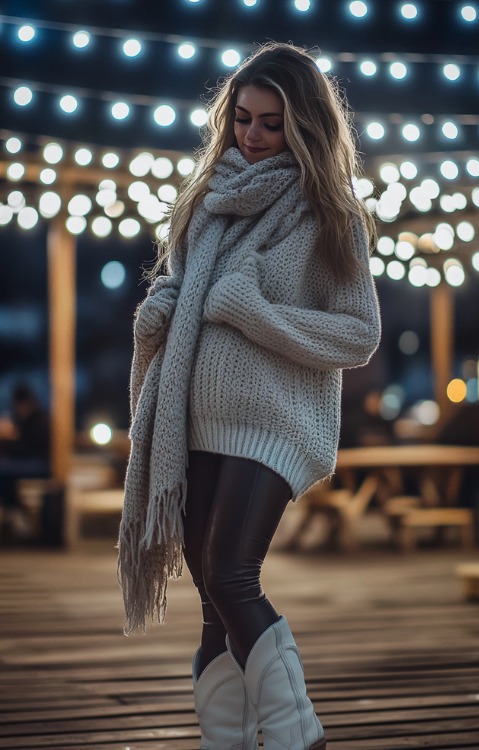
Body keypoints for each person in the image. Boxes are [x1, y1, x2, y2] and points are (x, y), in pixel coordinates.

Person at [118, 42, 381, 750]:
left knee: (233, 575)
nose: (254, 136)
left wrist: (255, 312)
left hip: (273, 424)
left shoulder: (330, 215)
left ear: (305, 127)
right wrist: (163, 314)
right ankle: (227, 742)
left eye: (272, 122)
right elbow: (197, 298)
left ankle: (300, 736)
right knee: (213, 606)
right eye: (243, 118)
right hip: (197, 422)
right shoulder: (206, 207)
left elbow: (358, 335)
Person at [0, 384, 51, 539]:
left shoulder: (36, 419)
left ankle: (15, 512)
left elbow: (28, 447)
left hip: (39, 464)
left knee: (4, 474)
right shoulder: (31, 417)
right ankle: (16, 511)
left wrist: (8, 441)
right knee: (5, 474)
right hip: (33, 462)